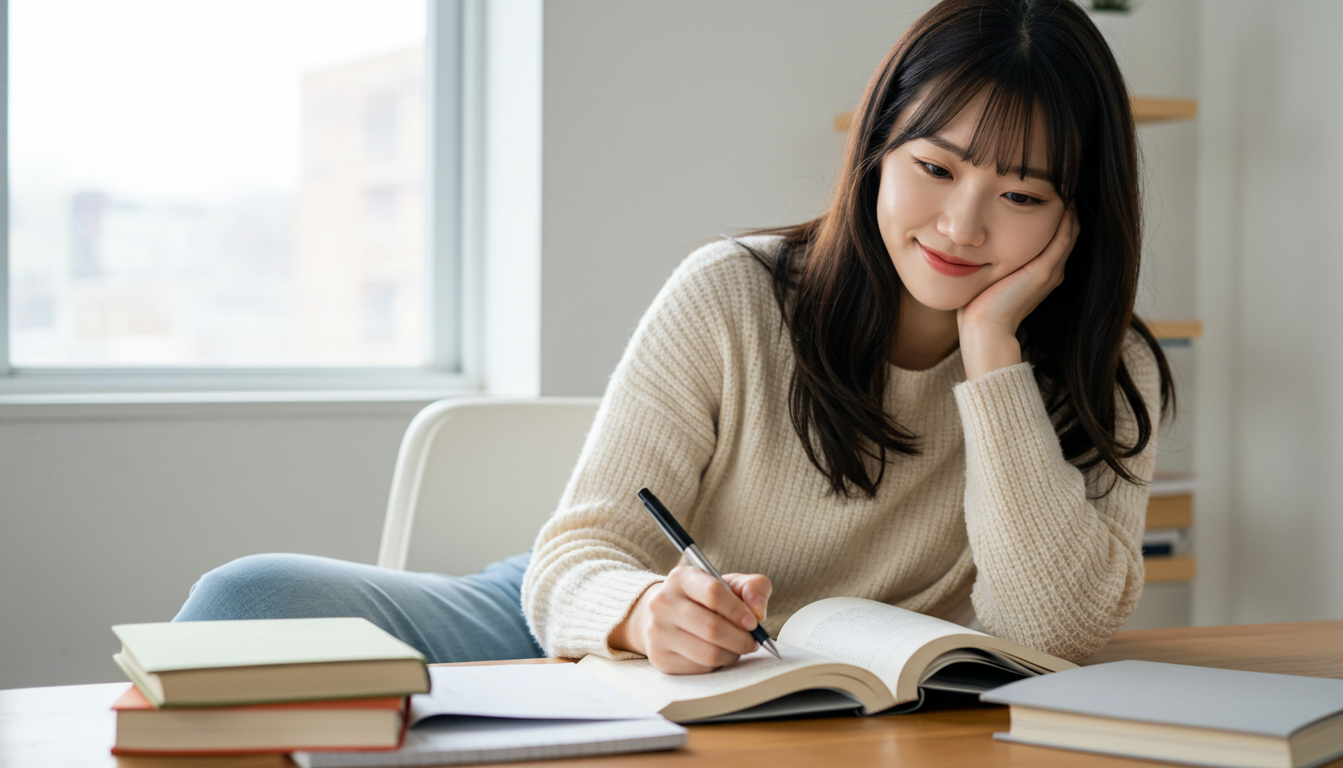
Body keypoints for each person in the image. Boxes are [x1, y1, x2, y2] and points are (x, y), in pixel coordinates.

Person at [175, 0, 1172, 673]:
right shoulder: (734, 297)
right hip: (619, 645)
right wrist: (641, 612)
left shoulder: (1102, 370)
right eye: (935, 167)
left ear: (1076, 217)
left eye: (1021, 194)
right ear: (874, 152)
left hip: (836, 703)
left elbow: (1052, 636)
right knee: (245, 604)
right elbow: (578, 553)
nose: (962, 225)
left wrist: (993, 351)